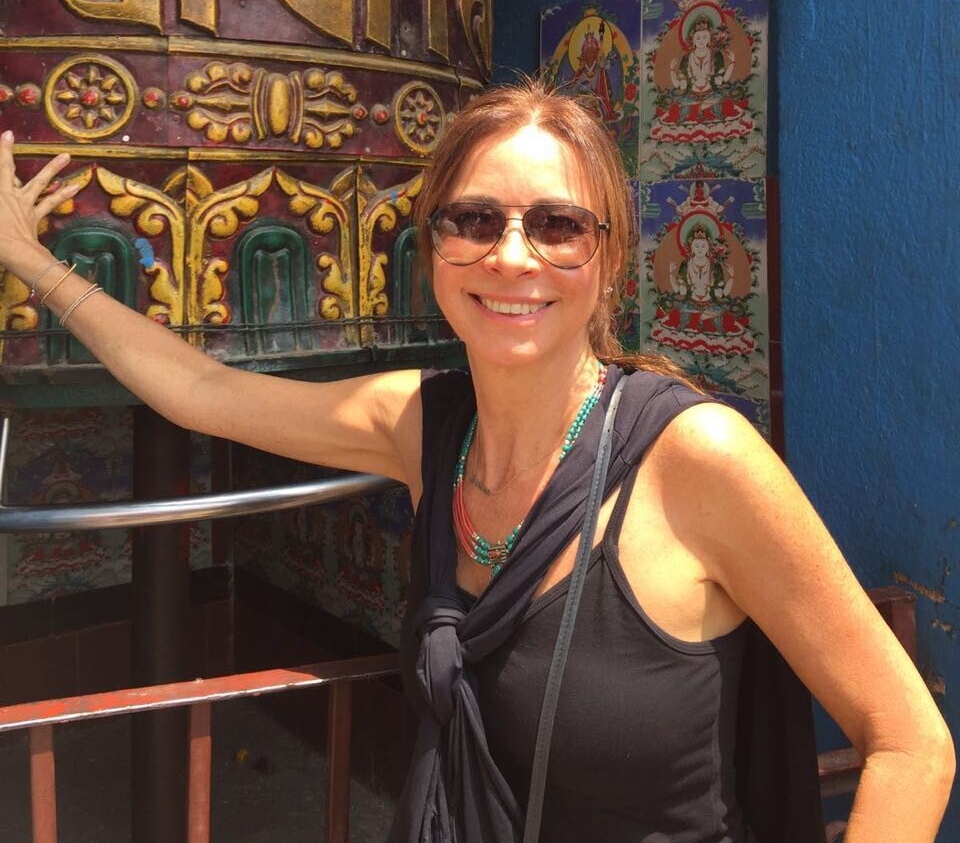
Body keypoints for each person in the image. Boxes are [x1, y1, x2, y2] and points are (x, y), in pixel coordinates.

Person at [0, 79, 952, 843]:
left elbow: (911, 744)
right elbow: (199, 390)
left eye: (558, 226)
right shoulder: (422, 425)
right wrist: (29, 260)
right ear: (435, 251)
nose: (511, 256)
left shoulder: (693, 457)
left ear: (610, 261)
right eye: (474, 220)